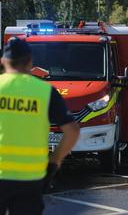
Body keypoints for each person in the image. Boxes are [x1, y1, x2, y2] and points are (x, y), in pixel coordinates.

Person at [0, 37, 80, 215]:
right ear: (30, 62)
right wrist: (56, 158)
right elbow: (72, 131)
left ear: (3, 61)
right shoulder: (44, 91)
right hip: (30, 178)